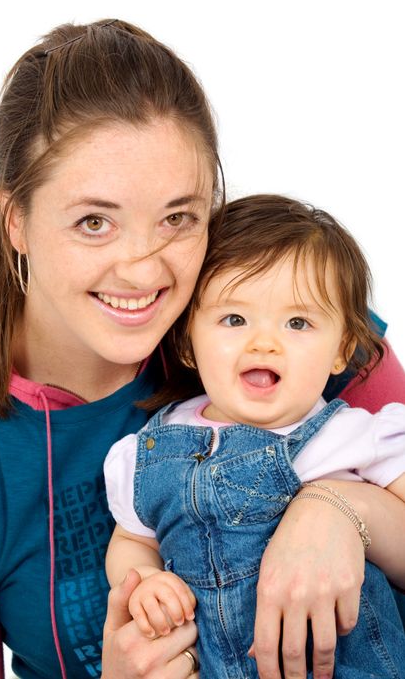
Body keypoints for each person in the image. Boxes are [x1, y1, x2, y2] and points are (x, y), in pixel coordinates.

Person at [0, 17, 404, 679]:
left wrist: (342, 509)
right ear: (15, 220)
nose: (142, 271)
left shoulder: (281, 319)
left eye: (177, 217)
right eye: (94, 221)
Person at [104, 194, 405, 678]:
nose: (264, 341)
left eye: (298, 322)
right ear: (186, 341)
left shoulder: (351, 434)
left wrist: (346, 510)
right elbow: (132, 540)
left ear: (340, 350)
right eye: (234, 319)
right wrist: (142, 585)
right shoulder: (149, 449)